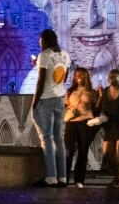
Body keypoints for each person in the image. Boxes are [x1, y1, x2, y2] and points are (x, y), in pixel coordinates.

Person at [31, 28, 71, 187]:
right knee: (59, 139)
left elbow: (41, 81)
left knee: (46, 139)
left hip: (46, 100)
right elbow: (64, 77)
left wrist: (35, 102)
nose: (40, 44)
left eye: (40, 41)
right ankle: (62, 177)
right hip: (59, 100)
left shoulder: (44, 55)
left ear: (45, 41)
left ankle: (51, 177)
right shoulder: (64, 55)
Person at [89, 69, 119, 187]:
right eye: (110, 76)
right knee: (108, 153)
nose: (111, 78)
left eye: (114, 76)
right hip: (110, 125)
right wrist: (99, 97)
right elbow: (98, 109)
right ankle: (117, 175)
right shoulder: (105, 92)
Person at [64, 67, 99, 188]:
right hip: (71, 122)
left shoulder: (92, 92)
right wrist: (70, 109)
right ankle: (65, 178)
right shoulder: (70, 91)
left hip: (85, 122)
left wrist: (101, 96)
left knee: (83, 151)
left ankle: (79, 180)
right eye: (77, 74)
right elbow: (66, 105)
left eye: (82, 74)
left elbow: (96, 108)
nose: (79, 76)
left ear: (86, 77)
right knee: (68, 151)